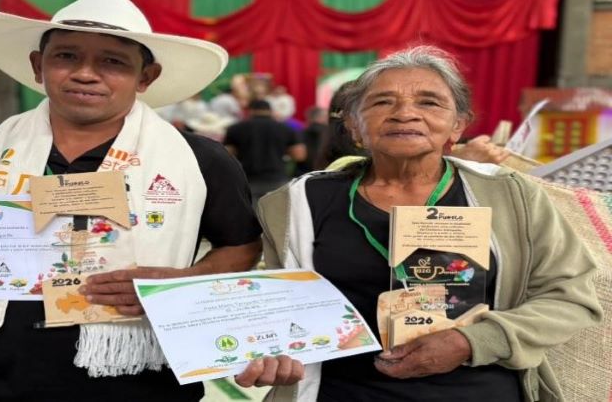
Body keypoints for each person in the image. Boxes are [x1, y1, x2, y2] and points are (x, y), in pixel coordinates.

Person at [0, 0, 287, 401]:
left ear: (146, 76)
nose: (85, 74)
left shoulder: (197, 159)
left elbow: (241, 245)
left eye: (113, 62)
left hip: (139, 385)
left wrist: (175, 283)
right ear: (38, 65)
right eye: (66, 56)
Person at [254, 46, 602, 401]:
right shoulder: (297, 203)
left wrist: (472, 341)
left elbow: (571, 297)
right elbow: (277, 309)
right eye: (382, 102)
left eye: (429, 102)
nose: (405, 114)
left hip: (479, 392)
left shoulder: (511, 195)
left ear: (458, 125)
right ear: (354, 126)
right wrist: (264, 350)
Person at [224, 99, 306, 202]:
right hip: (277, 178)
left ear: (250, 111)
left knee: (249, 211)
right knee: (275, 211)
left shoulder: (235, 128)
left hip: (247, 179)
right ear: (270, 111)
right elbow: (299, 155)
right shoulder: (286, 128)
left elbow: (227, 155)